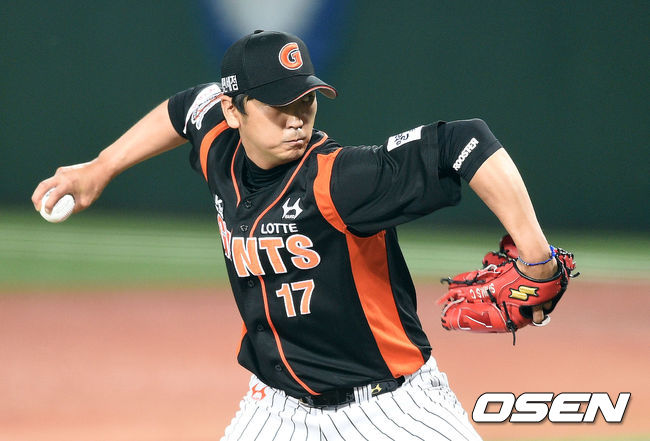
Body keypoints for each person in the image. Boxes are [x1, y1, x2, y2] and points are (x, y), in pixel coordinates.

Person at [33, 30, 563, 441]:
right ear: (233, 111)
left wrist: (537, 260)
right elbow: (185, 108)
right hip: (276, 411)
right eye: (278, 106)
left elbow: (466, 141)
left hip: (392, 410)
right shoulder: (218, 145)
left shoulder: (341, 179)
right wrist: (102, 167)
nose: (296, 120)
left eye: (305, 101)